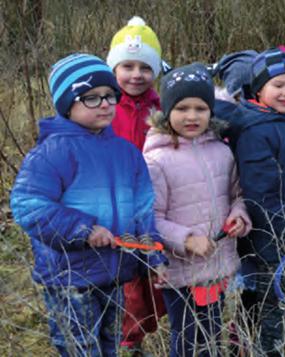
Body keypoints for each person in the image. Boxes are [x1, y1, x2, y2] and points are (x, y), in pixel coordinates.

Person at [10, 53, 168, 356]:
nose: (106, 104)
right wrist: (82, 228)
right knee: (80, 347)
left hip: (115, 271)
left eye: (110, 95)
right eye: (91, 98)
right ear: (67, 104)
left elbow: (142, 209)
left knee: (109, 343)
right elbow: (28, 204)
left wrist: (153, 256)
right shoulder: (51, 152)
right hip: (71, 276)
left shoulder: (126, 152)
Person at [215, 48, 285, 357]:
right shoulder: (256, 130)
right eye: (278, 85)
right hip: (273, 247)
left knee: (283, 315)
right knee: (269, 322)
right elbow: (262, 196)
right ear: (259, 89)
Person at [143, 64, 252, 357]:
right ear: (167, 111)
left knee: (212, 333)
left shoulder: (222, 151)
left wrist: (238, 216)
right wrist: (187, 239)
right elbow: (151, 219)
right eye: (182, 108)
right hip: (179, 271)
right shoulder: (156, 160)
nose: (192, 116)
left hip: (217, 264)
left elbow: (237, 195)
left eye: (201, 108)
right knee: (188, 339)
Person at [106, 17, 168, 354]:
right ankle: (129, 339)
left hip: (154, 203)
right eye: (127, 66)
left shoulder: (162, 107)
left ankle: (151, 325)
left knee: (152, 274)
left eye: (145, 67)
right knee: (127, 279)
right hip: (115, 205)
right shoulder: (105, 106)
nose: (136, 74)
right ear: (114, 68)